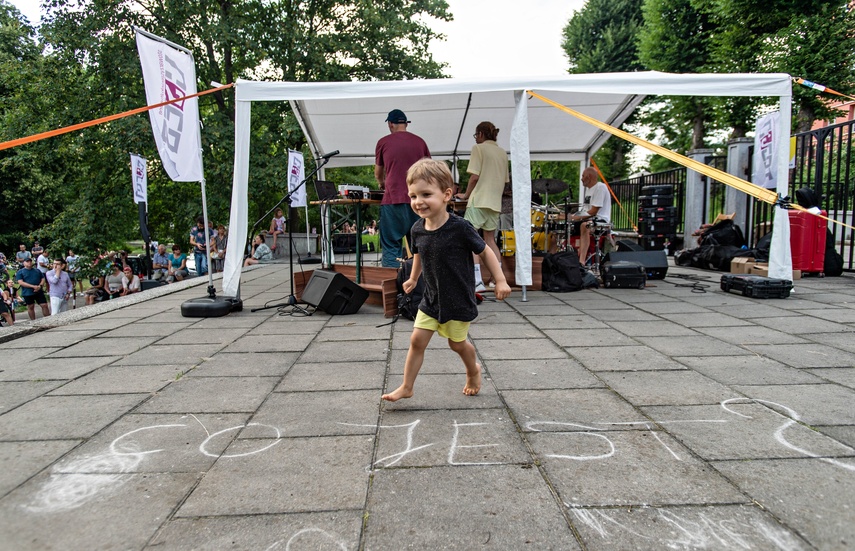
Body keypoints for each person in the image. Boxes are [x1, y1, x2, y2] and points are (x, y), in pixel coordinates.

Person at [382, 159, 511, 403]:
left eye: (426, 194)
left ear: (446, 194)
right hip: (431, 297)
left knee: (457, 344)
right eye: (413, 195)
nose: (418, 202)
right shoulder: (417, 228)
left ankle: (473, 369)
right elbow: (418, 254)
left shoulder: (460, 227)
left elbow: (485, 251)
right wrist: (412, 278)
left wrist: (501, 280)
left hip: (458, 298)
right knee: (416, 340)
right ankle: (407, 386)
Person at [375, 108, 431, 267]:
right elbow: (430, 170)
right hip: (418, 201)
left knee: (391, 244)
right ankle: (421, 286)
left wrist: (382, 183)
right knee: (420, 246)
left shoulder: (383, 142)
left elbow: (378, 173)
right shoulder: (420, 142)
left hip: (393, 200)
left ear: (390, 124)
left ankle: (393, 287)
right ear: (406, 124)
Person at [455, 121, 509, 286]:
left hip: (478, 201)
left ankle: (477, 280)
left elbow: (475, 177)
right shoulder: (502, 153)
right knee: (490, 240)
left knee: (471, 239)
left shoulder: (478, 148)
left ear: (480, 134)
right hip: (494, 203)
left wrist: (465, 195)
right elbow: (505, 181)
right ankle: (497, 279)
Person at [570, 167, 612, 264]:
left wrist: (575, 217)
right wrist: (571, 217)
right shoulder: (589, 190)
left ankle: (582, 261)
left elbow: (593, 211)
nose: (581, 178)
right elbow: (586, 211)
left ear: (589, 177)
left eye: (583, 176)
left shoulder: (600, 187)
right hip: (590, 219)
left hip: (601, 220)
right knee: (563, 226)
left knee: (585, 225)